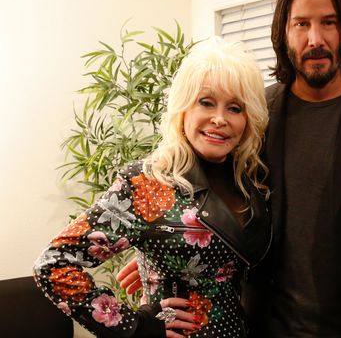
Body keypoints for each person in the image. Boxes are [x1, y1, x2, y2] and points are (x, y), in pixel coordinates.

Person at [119, 0, 341, 338]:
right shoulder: (253, 112)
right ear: (283, 33)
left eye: (329, 22)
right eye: (301, 24)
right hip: (266, 324)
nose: (316, 38)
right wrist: (162, 247)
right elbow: (203, 187)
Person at [33, 37, 272, 338]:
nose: (219, 119)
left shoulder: (250, 181)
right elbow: (53, 264)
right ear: (183, 108)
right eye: (206, 102)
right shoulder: (146, 182)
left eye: (235, 108)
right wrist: (133, 327)